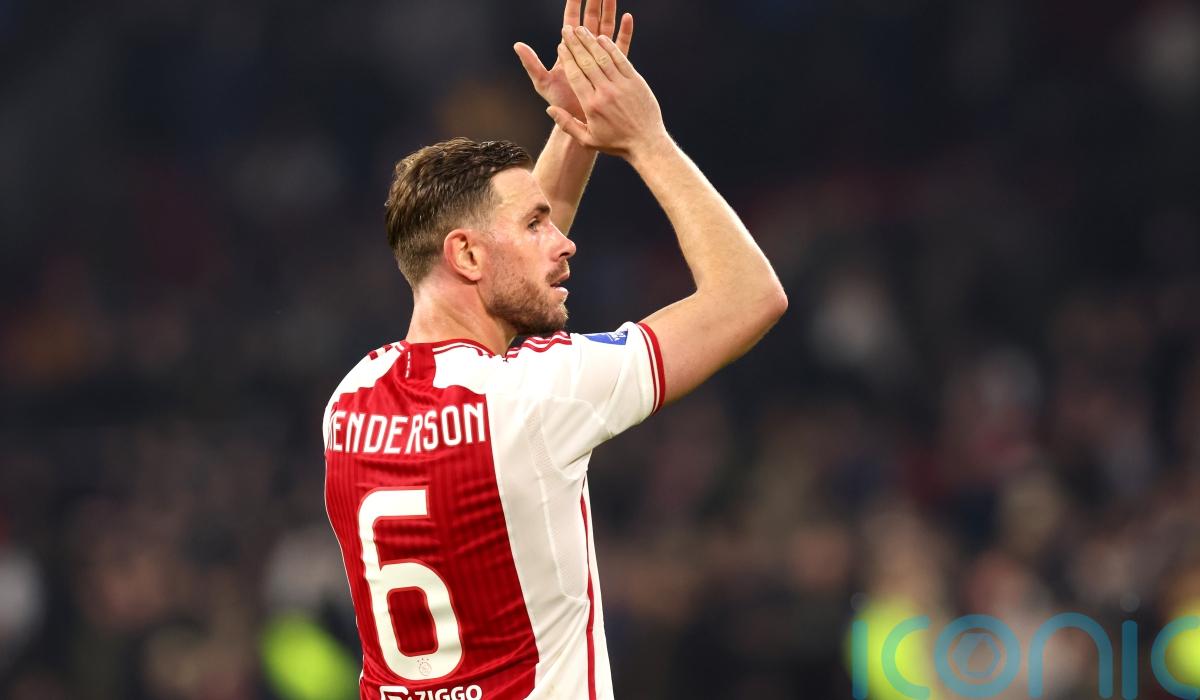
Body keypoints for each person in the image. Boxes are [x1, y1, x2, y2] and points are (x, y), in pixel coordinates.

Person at [322, 1, 787, 697]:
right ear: (466, 254)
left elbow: (498, 285)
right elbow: (751, 297)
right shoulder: (537, 393)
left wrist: (574, 128)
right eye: (536, 224)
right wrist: (646, 139)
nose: (564, 242)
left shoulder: (351, 403)